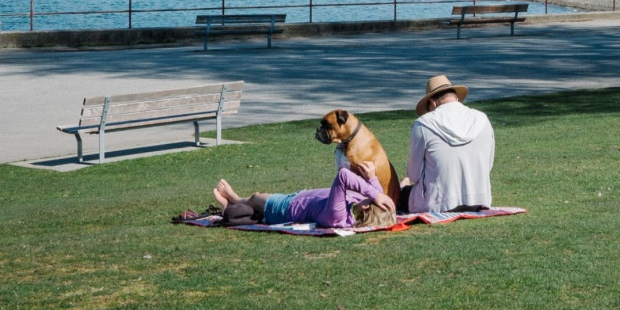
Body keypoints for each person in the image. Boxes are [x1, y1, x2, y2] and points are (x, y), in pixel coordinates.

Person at [400, 75, 495, 213]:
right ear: (456, 98)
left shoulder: (424, 124)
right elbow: (488, 165)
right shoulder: (482, 119)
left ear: (432, 103)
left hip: (437, 204)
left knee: (401, 193)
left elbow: (414, 175)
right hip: (479, 200)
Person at [212, 161, 396, 228]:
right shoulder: (356, 208)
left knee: (255, 198)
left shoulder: (338, 214)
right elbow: (381, 202)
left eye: (370, 199)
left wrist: (375, 193)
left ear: (366, 205)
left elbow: (343, 175)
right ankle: (232, 206)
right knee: (255, 204)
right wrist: (372, 178)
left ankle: (234, 199)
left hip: (286, 207)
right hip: (297, 199)